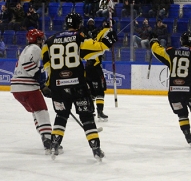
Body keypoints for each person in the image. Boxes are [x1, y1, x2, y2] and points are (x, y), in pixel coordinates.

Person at [41, 12, 117, 161]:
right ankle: (96, 149)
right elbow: (97, 49)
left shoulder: (48, 41)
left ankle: (54, 146)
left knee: (61, 115)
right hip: (78, 86)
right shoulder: (79, 38)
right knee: (87, 117)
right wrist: (108, 41)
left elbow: (47, 67)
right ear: (79, 24)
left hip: (57, 87)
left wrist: (48, 85)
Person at [10, 29, 53, 154]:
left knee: (36, 112)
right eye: (40, 38)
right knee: (42, 112)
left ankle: (45, 137)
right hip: (27, 86)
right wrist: (41, 83)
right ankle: (48, 141)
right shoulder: (35, 48)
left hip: (16, 88)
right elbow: (28, 65)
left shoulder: (25, 49)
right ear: (37, 40)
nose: (42, 41)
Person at [85, 21, 110, 121]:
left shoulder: (87, 42)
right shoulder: (96, 42)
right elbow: (100, 36)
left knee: (91, 91)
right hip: (95, 68)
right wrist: (107, 27)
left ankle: (90, 110)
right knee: (100, 90)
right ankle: (99, 111)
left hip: (87, 68)